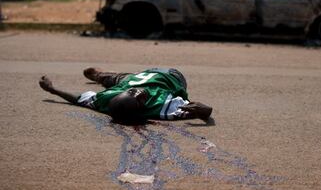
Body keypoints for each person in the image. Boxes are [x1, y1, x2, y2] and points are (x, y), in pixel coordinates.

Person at [39, 67, 213, 123]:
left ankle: (100, 76)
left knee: (118, 79)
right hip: (173, 76)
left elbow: (78, 99)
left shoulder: (105, 100)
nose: (140, 93)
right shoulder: (162, 107)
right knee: (122, 80)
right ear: (141, 110)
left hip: (133, 78)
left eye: (132, 94)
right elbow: (205, 111)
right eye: (140, 99)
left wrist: (53, 90)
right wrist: (202, 111)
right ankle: (104, 77)